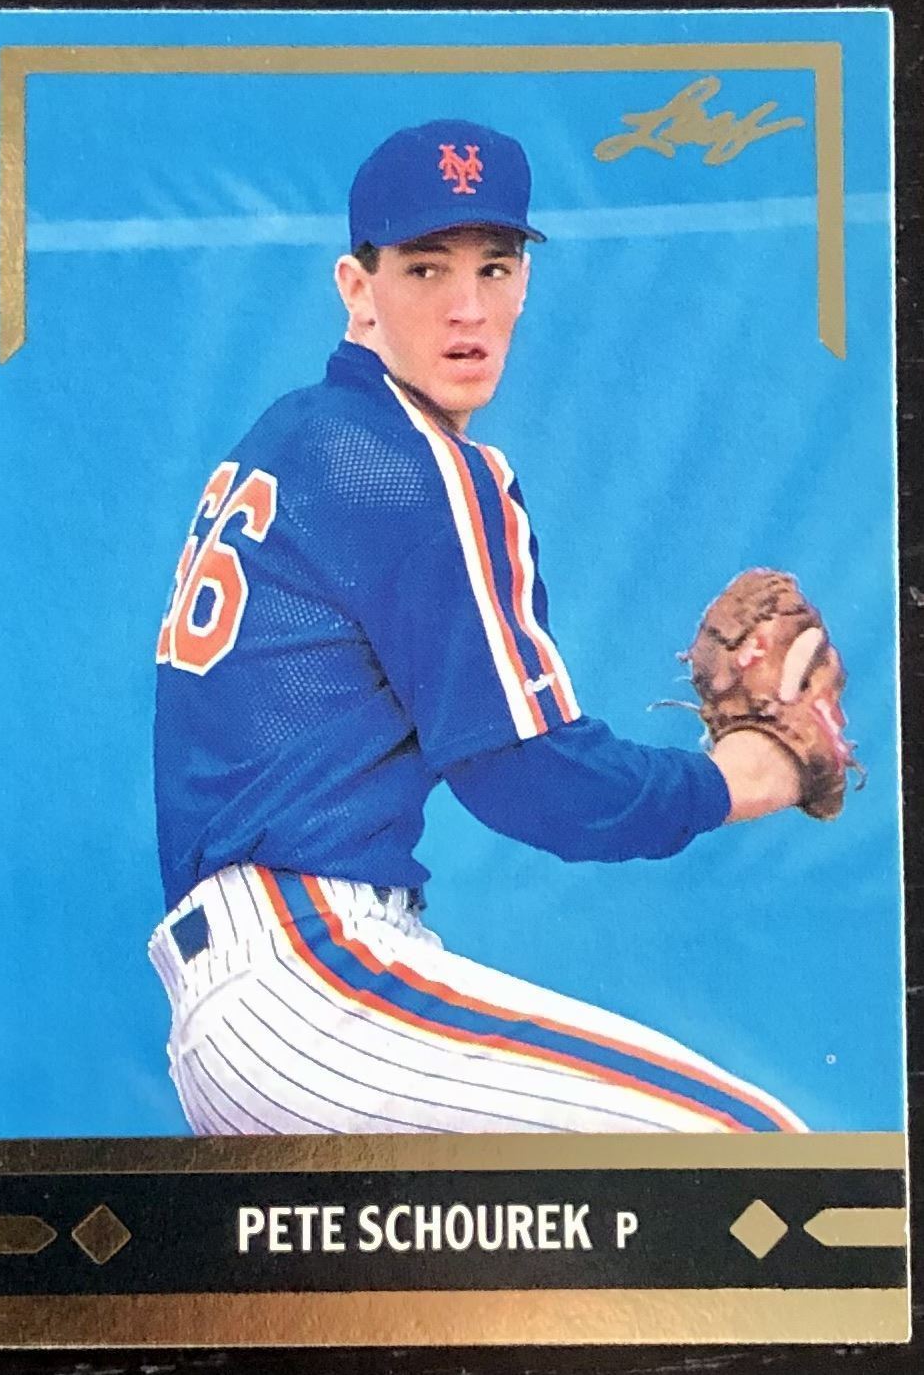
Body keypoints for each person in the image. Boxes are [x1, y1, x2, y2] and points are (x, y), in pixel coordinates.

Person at [149, 119, 806, 1135]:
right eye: (424, 268)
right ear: (357, 289)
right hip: (314, 980)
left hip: (237, 1004)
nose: (467, 308)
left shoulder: (290, 433)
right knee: (753, 1153)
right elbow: (533, 779)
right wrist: (745, 775)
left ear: (525, 283)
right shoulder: (414, 465)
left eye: (494, 267)